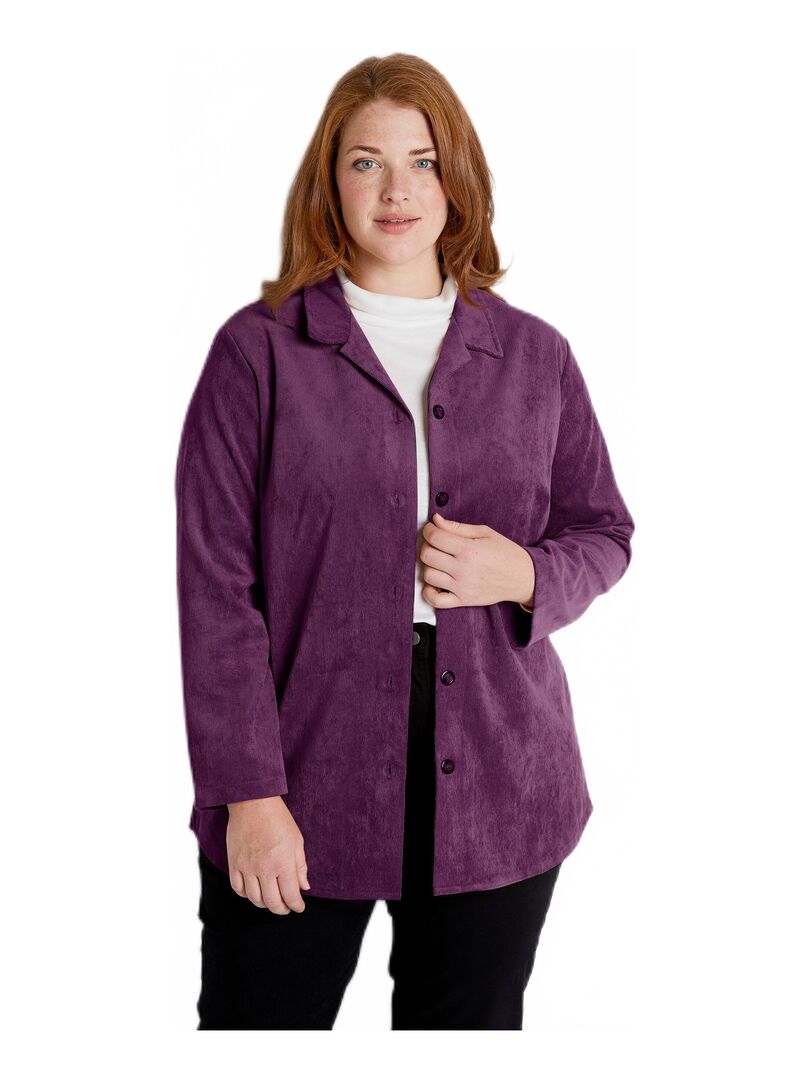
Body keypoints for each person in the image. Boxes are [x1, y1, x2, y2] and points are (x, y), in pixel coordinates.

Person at [175, 52, 635, 1031]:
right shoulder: (258, 353)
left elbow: (605, 531)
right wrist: (248, 794)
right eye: (367, 163)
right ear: (329, 182)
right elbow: (216, 591)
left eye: (422, 162)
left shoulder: (536, 355)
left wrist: (525, 572)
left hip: (503, 780)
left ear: (456, 178)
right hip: (302, 774)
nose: (397, 191)